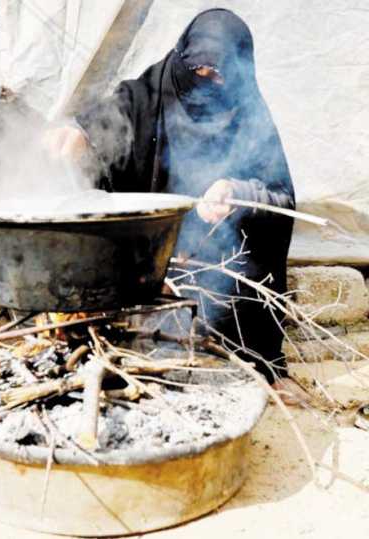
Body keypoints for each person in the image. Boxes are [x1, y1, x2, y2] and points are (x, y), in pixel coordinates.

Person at [44, 9, 307, 404]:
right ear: (182, 57)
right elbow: (112, 118)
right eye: (198, 70)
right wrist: (79, 134)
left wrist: (236, 191)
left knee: (256, 241)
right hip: (155, 255)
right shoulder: (149, 93)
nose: (206, 82)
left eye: (219, 75)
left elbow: (281, 197)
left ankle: (262, 365)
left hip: (221, 262)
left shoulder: (249, 114)